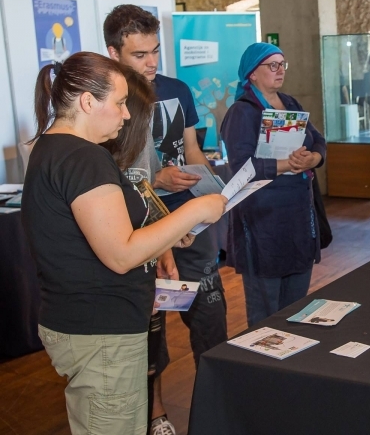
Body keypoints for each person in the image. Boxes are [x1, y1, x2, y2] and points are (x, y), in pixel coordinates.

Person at [21, 52, 226, 435]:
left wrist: (165, 236)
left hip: (89, 324)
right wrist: (196, 210)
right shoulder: (84, 158)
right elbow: (120, 253)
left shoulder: (55, 147)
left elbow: (106, 236)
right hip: (101, 331)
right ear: (87, 102)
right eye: (118, 103)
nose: (126, 115)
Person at [104, 4, 228, 435]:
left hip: (190, 221)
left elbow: (191, 150)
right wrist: (156, 179)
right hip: (138, 227)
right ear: (114, 53)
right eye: (140, 54)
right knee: (149, 331)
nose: (152, 62)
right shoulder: (107, 102)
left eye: (155, 50)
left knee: (211, 318)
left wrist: (214, 188)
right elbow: (109, 174)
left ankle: (219, 407)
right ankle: (155, 414)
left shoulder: (177, 89)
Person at [220, 42, 326, 327]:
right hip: (262, 221)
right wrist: (289, 164)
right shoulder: (242, 112)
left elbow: (318, 140)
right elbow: (241, 167)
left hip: (297, 218)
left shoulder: (290, 103)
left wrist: (313, 158)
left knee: (296, 308)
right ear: (252, 74)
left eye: (282, 64)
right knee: (265, 313)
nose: (280, 70)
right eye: (272, 65)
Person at [100, 68, 180, 433]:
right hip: (115, 289)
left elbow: (146, 199)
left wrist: (164, 249)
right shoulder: (94, 163)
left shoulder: (138, 142)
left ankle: (154, 412)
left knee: (153, 349)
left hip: (145, 269)